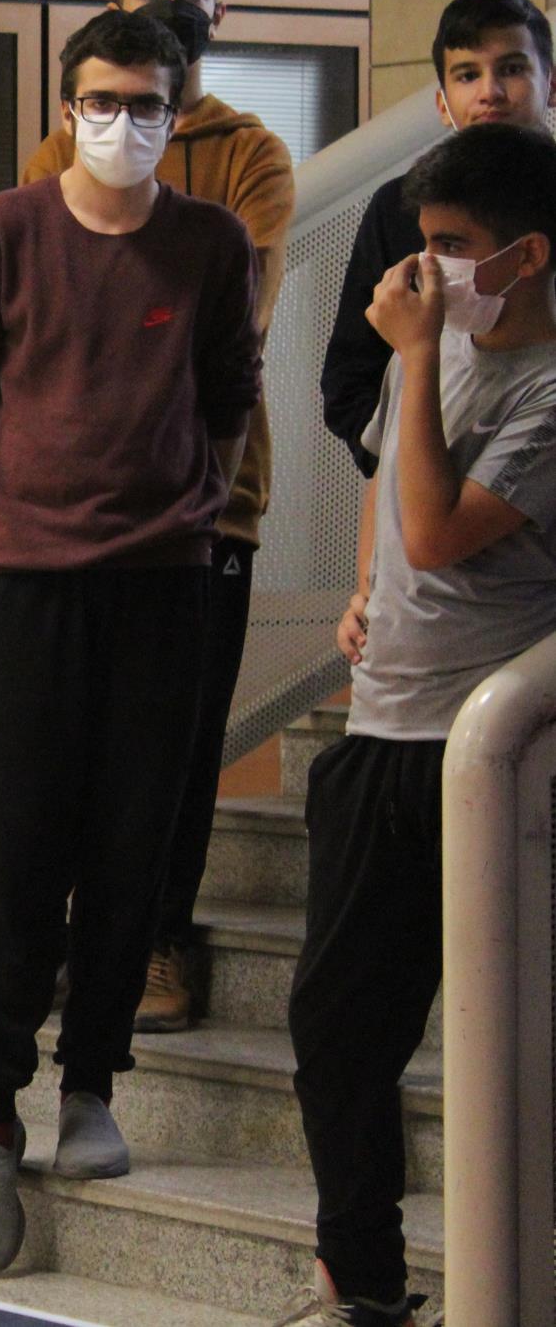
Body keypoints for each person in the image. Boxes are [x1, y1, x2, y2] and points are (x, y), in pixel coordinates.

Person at [0, 9, 260, 1275]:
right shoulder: (6, 231)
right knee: (19, 849)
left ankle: (91, 1087)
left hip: (165, 584)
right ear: (67, 108)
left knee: (134, 844)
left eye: (147, 104)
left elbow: (229, 391)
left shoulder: (209, 242)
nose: (123, 123)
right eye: (102, 101)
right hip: (30, 584)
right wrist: (39, 485)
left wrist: (187, 498)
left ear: (179, 111)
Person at [0, 0, 295, 1033]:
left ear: (218, 13)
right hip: (51, 534)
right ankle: (37, 972)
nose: (173, 5)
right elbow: (11, 337)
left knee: (167, 767)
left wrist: (178, 457)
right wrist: (47, 449)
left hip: (203, 516)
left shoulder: (251, 156)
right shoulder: (54, 161)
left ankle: (157, 949)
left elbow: (236, 323)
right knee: (36, 784)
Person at [284, 123, 556, 1326]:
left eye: (453, 243)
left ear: (527, 255)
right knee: (338, 1026)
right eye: (423, 242)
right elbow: (390, 497)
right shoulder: (423, 351)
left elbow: (440, 530)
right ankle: (364, 1281)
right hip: (381, 733)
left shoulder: (546, 388)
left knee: (510, 1044)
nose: (429, 267)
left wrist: (418, 353)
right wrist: (363, 587)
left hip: (493, 757)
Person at [322, 0, 556, 473]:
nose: (490, 92)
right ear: (443, 101)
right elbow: (350, 374)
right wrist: (403, 465)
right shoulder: (400, 207)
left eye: (512, 69)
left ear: (551, 85)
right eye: (468, 75)